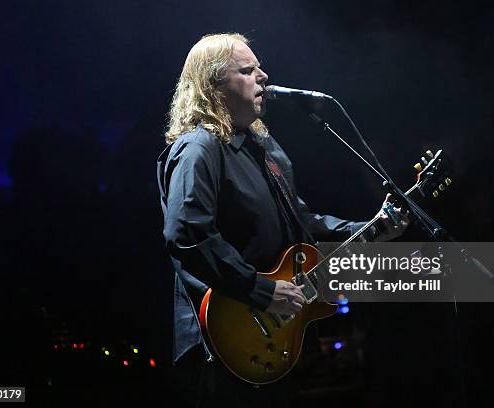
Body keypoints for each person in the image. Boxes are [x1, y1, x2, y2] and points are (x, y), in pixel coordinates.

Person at [157, 33, 409, 407]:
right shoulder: (199, 148)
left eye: (259, 67)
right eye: (247, 70)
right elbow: (188, 234)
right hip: (222, 342)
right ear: (214, 87)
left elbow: (302, 220)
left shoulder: (266, 149)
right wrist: (261, 291)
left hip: (272, 342)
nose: (263, 76)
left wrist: (371, 229)